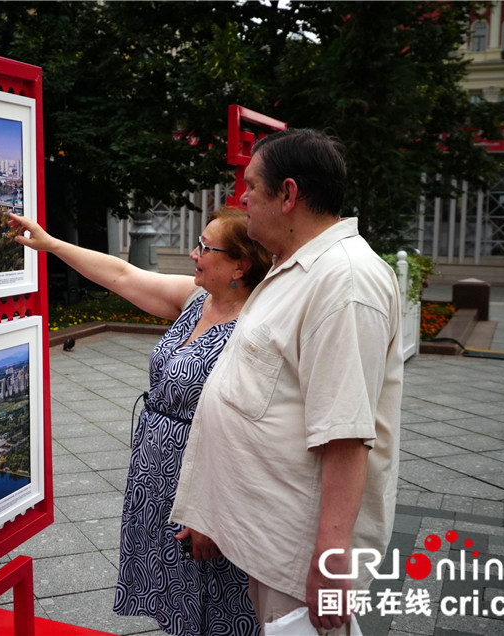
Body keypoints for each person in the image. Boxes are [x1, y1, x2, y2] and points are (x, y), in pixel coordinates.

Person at [170, 128, 403, 633]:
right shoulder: (295, 266)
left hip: (298, 553)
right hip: (270, 533)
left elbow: (345, 433)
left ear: (288, 194)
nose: (242, 198)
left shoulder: (344, 280)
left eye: (252, 186)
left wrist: (330, 562)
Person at [10, 209, 270, 636]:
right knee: (175, 589)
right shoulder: (197, 299)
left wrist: (211, 512)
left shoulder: (257, 327)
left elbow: (248, 432)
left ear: (239, 265)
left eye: (205, 247)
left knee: (217, 596)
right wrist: (50, 243)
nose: (194, 253)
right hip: (158, 475)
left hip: (205, 483)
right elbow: (121, 275)